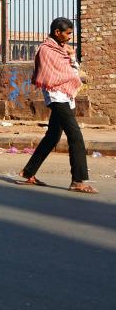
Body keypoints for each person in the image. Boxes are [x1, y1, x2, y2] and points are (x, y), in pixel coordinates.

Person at [17, 17, 97, 193]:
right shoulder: (46, 50)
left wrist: (71, 56)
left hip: (67, 95)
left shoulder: (63, 50)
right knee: (75, 135)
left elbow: (73, 70)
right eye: (67, 33)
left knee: (53, 136)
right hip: (55, 96)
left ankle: (28, 172)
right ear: (57, 33)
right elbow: (49, 75)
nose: (70, 37)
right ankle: (78, 180)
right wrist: (71, 72)